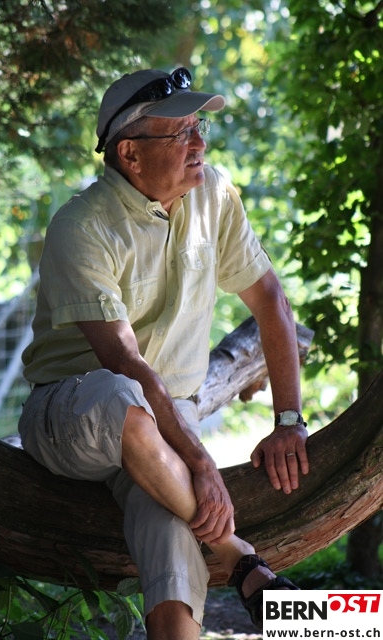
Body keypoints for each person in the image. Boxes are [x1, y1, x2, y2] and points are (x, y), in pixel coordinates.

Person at [19, 66, 309, 639]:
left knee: (175, 553)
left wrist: (288, 422)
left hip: (168, 425)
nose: (199, 143)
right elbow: (124, 364)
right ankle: (240, 556)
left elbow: (270, 299)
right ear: (129, 153)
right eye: (181, 132)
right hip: (72, 414)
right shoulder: (82, 225)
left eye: (200, 126)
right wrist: (201, 464)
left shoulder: (214, 194)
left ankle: (245, 578)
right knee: (124, 396)